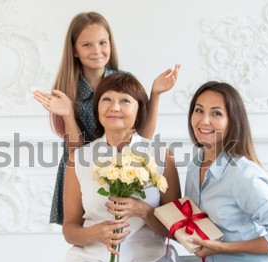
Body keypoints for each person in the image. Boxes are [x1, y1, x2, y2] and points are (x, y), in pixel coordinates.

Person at [33, 12, 180, 225]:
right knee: (87, 230)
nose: (97, 51)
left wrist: (154, 95)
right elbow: (78, 156)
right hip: (84, 169)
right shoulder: (68, 91)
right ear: (74, 50)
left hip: (123, 167)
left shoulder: (122, 82)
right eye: (87, 45)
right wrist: (68, 115)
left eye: (102, 42)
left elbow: (142, 139)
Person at [165, 81, 268, 262]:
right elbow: (195, 229)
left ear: (232, 122)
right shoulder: (195, 166)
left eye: (216, 113)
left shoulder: (243, 175)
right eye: (198, 110)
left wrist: (222, 248)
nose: (204, 120)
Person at [59, 73, 181, 262]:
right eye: (107, 99)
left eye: (125, 100)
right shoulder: (80, 158)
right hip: (91, 261)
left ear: (139, 110)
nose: (114, 106)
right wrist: (93, 233)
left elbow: (176, 229)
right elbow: (70, 229)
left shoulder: (160, 155)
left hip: (146, 259)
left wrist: (144, 211)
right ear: (97, 108)